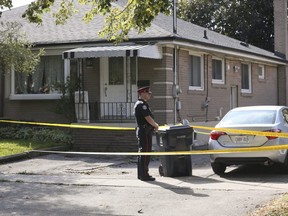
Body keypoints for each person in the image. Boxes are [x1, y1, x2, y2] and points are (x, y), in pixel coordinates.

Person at [134, 86, 159, 181]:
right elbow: (147, 118)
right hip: (145, 132)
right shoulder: (142, 105)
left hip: (143, 131)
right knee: (145, 153)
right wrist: (155, 125)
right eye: (148, 93)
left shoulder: (141, 104)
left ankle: (141, 174)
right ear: (143, 93)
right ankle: (144, 174)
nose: (149, 94)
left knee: (143, 153)